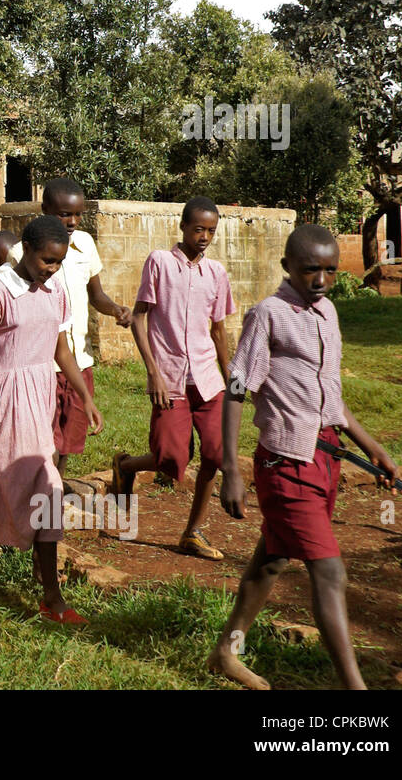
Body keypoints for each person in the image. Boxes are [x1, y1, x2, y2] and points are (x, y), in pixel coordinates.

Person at [208, 225, 398, 690]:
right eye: (311, 268)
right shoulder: (267, 315)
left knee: (272, 560)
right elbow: (236, 391)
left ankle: (225, 653)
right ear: (287, 267)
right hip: (283, 464)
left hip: (325, 460)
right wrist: (230, 468)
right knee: (329, 569)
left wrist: (372, 446)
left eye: (331, 270)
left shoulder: (329, 313)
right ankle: (355, 689)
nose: (321, 279)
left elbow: (330, 396)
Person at [0, 216, 102, 623]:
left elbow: (62, 349)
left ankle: (33, 589)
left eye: (59, 261)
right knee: (25, 489)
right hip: (5, 403)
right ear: (25, 248)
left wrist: (84, 395)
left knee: (38, 489)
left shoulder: (56, 288)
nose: (52, 268)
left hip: (41, 396)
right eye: (47, 260)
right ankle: (51, 598)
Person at [112, 196, 236, 561]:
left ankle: (193, 532)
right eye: (198, 229)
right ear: (183, 226)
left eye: (211, 231)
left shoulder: (216, 273)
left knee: (215, 453)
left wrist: (229, 376)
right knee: (170, 458)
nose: (204, 237)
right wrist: (153, 372)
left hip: (207, 380)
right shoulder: (160, 262)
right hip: (169, 377)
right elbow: (139, 318)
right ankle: (126, 466)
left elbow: (218, 330)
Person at [8, 178, 132, 484]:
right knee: (44, 436)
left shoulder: (84, 245)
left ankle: (55, 489)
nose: (73, 221)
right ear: (45, 210)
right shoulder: (20, 252)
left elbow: (96, 294)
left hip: (79, 360)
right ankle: (41, 495)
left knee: (70, 435)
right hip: (43, 362)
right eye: (65, 214)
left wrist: (115, 309)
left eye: (78, 214)